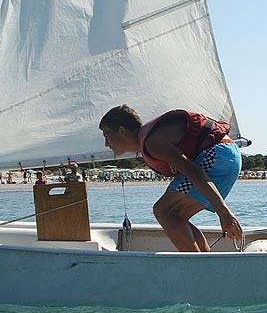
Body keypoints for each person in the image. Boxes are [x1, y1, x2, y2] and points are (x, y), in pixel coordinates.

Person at [99, 105, 243, 252]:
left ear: (122, 131)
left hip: (219, 154)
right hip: (228, 155)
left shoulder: (152, 143)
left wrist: (224, 213)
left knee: (163, 211)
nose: (106, 144)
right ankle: (205, 264)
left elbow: (194, 172)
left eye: (107, 136)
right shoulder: (149, 142)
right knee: (176, 216)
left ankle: (199, 268)